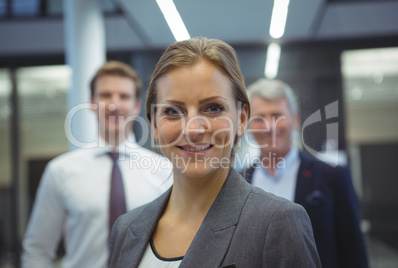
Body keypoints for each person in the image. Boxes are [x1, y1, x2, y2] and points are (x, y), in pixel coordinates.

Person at [109, 37, 321, 267]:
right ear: (155, 126)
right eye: (172, 111)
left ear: (241, 119)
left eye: (213, 108)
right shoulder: (126, 229)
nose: (193, 129)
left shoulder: (278, 224)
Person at [22, 61, 172, 268]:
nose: (114, 104)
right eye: (105, 95)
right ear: (92, 103)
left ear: (137, 106)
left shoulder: (164, 171)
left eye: (124, 96)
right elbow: (37, 250)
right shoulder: (61, 171)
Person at [244, 78, 368, 268]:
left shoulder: (332, 177)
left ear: (295, 120)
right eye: (259, 118)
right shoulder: (239, 181)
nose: (269, 126)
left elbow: (354, 254)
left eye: (277, 116)